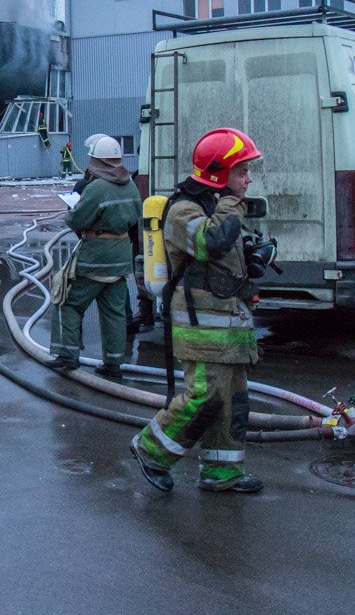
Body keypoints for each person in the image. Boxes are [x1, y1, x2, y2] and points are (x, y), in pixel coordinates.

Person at [130, 127, 265, 495]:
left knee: (232, 403)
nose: (248, 179)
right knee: (203, 397)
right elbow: (210, 243)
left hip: (230, 325)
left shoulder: (217, 206)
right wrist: (231, 204)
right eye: (242, 171)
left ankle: (222, 473)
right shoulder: (183, 209)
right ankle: (150, 451)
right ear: (221, 173)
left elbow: (222, 259)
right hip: (201, 328)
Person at [46, 136, 141, 380]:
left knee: (68, 300)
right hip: (120, 258)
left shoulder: (96, 188)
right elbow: (135, 219)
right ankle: (113, 363)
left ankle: (67, 355)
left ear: (97, 161)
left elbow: (76, 220)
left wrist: (74, 212)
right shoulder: (130, 185)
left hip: (96, 257)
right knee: (114, 312)